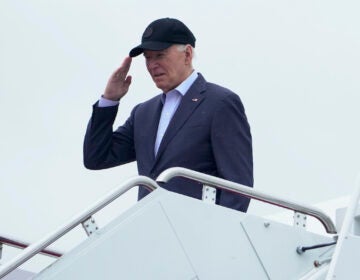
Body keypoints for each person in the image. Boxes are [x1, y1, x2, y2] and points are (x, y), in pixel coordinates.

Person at [84, 17, 253, 212]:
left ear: (187, 54)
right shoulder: (143, 113)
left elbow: (237, 186)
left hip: (198, 232)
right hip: (151, 231)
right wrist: (109, 100)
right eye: (148, 57)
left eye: (160, 55)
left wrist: (215, 235)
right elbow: (96, 158)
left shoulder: (220, 103)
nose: (152, 65)